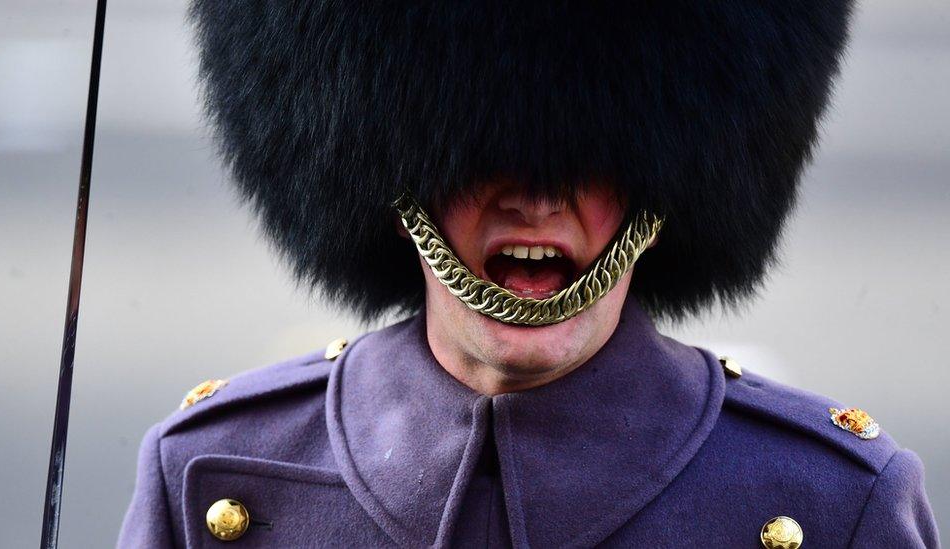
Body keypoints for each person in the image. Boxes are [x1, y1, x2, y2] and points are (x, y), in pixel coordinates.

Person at [119, 2, 939, 547]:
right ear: (395, 169)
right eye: (478, 151)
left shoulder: (837, 506)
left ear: (668, 182)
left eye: (593, 158)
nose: (537, 199)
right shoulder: (207, 475)